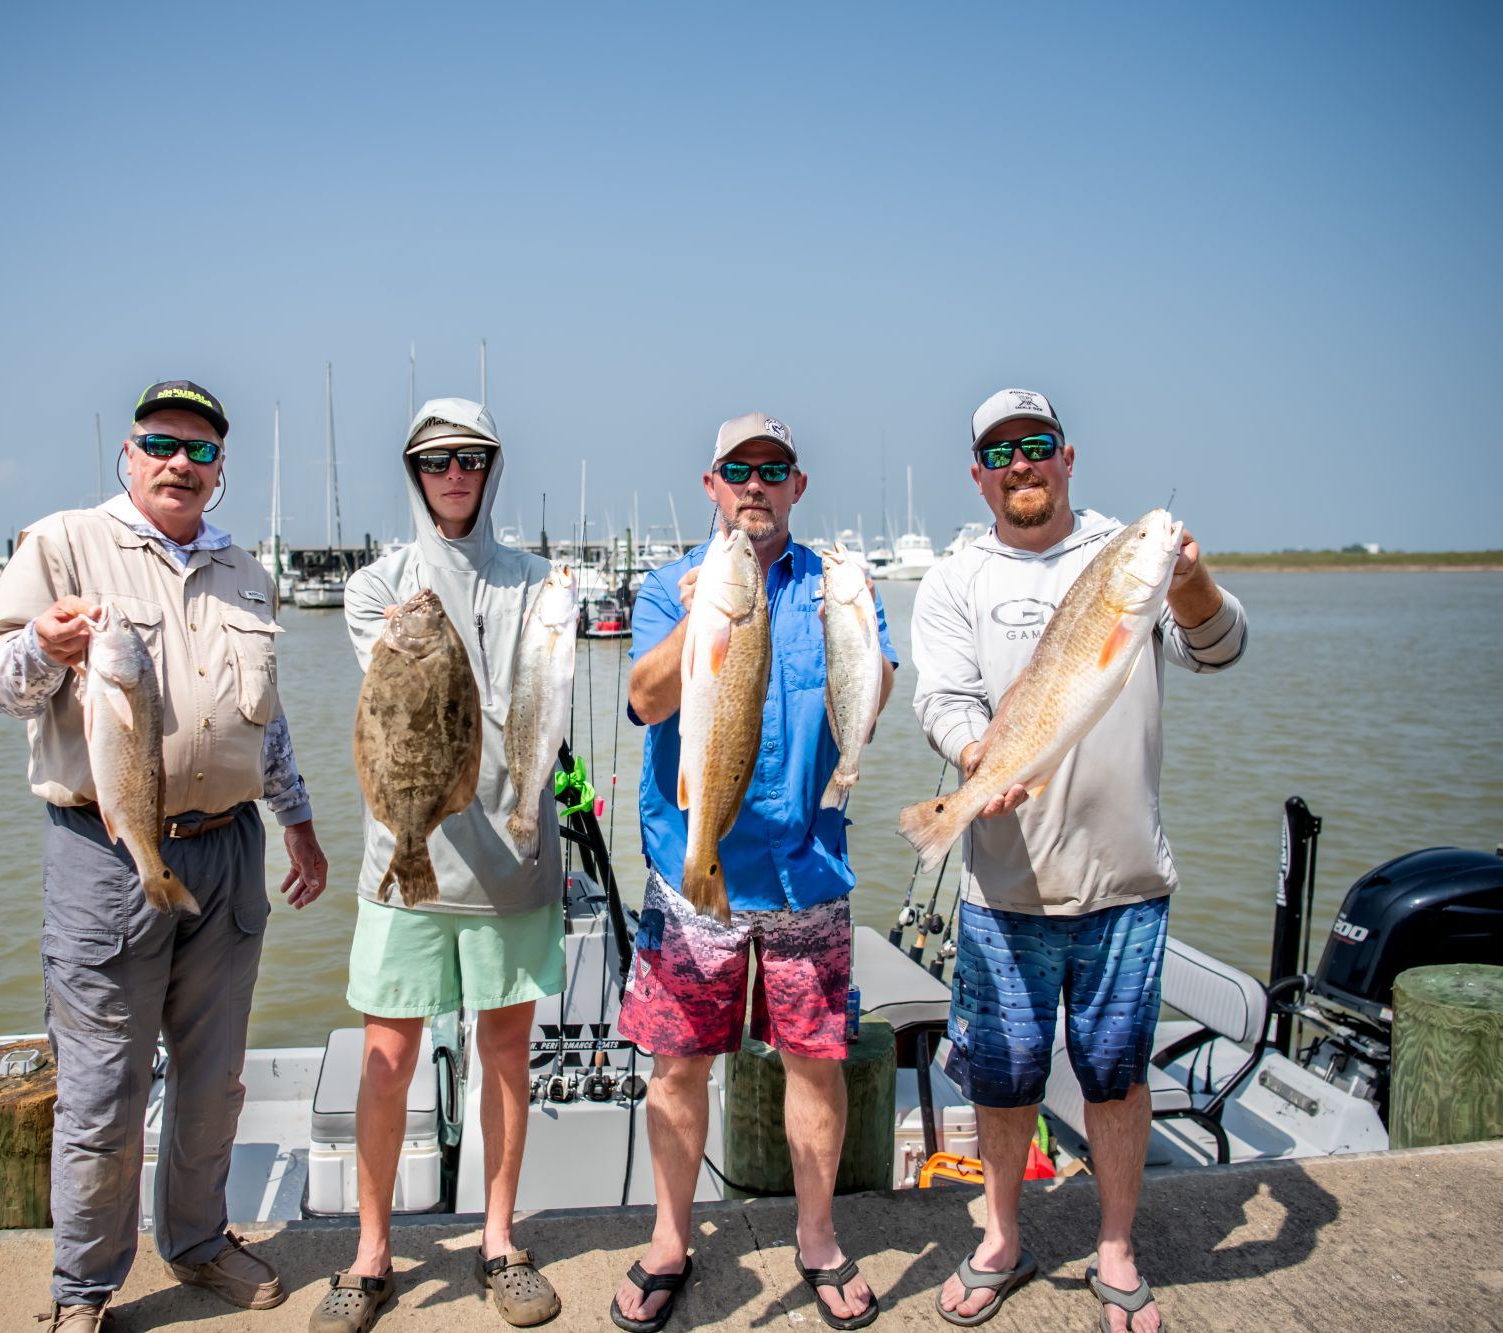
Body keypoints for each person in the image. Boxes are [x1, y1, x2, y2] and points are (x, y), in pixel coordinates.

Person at [0, 379, 330, 1332]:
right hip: (104, 850)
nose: (180, 462)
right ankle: (82, 1288)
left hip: (228, 849)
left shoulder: (246, 570)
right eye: (161, 443)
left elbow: (269, 717)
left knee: (215, 1079)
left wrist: (297, 818)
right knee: (103, 1087)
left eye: (201, 450)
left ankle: (201, 1240)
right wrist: (44, 649)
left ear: (220, 470)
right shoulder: (60, 544)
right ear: (128, 454)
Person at [910, 388, 1248, 1333]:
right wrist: (979, 757)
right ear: (979, 474)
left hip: (1126, 881)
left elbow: (1220, 650)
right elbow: (941, 697)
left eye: (1039, 445)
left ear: (1068, 456)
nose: (1022, 463)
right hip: (1005, 885)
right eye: (1001, 452)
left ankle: (1114, 1245)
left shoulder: (1123, 557)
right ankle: (1002, 1238)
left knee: (1116, 1074)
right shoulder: (954, 578)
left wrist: (1187, 579)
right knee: (1004, 1079)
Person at [614, 413, 896, 1333]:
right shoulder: (670, 587)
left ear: (798, 487)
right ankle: (668, 1240)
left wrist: (856, 634)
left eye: (773, 471)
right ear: (711, 483)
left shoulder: (834, 586)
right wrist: (706, 613)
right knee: (679, 1062)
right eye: (739, 469)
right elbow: (644, 698)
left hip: (808, 873)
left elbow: (872, 692)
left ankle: (817, 1238)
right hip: (694, 872)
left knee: (817, 1064)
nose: (755, 486)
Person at [316, 398, 565, 1333]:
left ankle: (499, 1243)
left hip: (512, 855)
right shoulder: (377, 585)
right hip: (405, 853)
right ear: (414, 472)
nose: (454, 473)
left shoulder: (541, 583)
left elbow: (538, 706)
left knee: (506, 1050)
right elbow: (400, 710)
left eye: (471, 457)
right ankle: (370, 1254)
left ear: (492, 467)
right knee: (387, 1056)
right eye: (435, 460)